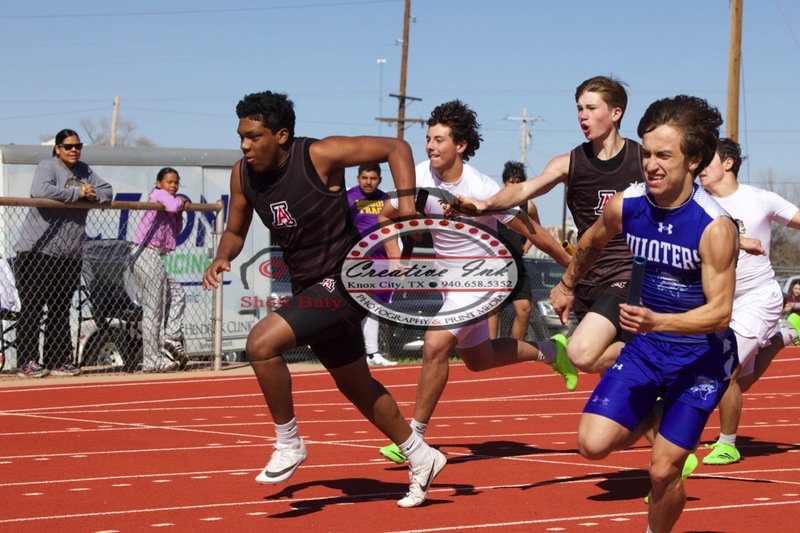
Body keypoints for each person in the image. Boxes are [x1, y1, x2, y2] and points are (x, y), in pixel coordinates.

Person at [201, 90, 445, 508]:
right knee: (355, 385)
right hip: (310, 288)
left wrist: (406, 204)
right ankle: (421, 455)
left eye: (253, 136)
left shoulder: (319, 155)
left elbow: (396, 147)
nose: (244, 145)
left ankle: (289, 442)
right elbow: (236, 229)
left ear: (280, 135)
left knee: (261, 342)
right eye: (240, 135)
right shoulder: (243, 174)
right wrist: (222, 256)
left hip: (346, 281)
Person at [550, 95, 738, 533]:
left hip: (699, 358)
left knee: (661, 471)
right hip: (648, 349)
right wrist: (566, 284)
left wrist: (659, 321)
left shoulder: (714, 227)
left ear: (693, 160)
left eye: (664, 156)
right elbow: (593, 240)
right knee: (591, 446)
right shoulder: (627, 205)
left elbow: (720, 315)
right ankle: (654, 413)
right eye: (647, 153)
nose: (651, 165)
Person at [376, 100, 575, 464]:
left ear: (461, 145)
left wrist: (570, 264)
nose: (430, 146)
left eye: (439, 140)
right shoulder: (419, 176)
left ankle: (413, 439)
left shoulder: (482, 188)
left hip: (487, 278)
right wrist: (393, 252)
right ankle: (552, 351)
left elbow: (530, 229)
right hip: (450, 284)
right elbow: (387, 216)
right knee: (478, 359)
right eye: (428, 139)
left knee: (436, 344)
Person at [451, 75, 642, 375]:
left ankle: (657, 350)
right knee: (613, 376)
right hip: (588, 276)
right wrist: (485, 204)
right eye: (579, 108)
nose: (582, 115)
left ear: (616, 113)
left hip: (630, 275)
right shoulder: (569, 163)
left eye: (591, 108)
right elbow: (523, 191)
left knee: (583, 354)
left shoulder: (643, 161)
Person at [697, 138, 800, 465]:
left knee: (724, 370)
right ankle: (787, 335)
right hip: (719, 302)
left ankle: (727, 443)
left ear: (727, 163)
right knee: (739, 380)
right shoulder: (697, 203)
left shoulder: (760, 199)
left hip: (759, 297)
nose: (698, 168)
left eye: (706, 160)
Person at [14, 129, 113, 378]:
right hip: (39, 250)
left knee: (60, 308)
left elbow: (107, 192)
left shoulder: (84, 171)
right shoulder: (47, 166)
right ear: (57, 148)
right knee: (33, 308)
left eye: (78, 146)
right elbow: (41, 191)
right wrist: (77, 194)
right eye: (68, 146)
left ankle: (57, 360)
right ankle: (27, 361)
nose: (73, 150)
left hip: (70, 254)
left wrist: (92, 196)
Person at [132, 167, 189, 373]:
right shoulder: (159, 195)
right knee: (153, 310)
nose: (173, 186)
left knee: (177, 294)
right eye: (169, 182)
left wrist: (181, 209)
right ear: (159, 183)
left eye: (176, 183)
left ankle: (171, 337)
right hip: (144, 252)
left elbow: (175, 229)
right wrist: (182, 201)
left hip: (155, 256)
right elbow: (174, 206)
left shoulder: (169, 202)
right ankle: (152, 360)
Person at [346, 164, 397, 366]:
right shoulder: (348, 198)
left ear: (380, 180)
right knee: (356, 306)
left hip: (382, 261)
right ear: (358, 178)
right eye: (365, 177)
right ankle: (355, 353)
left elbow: (396, 228)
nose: (368, 182)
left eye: (373, 178)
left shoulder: (386, 199)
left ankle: (372, 353)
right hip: (357, 261)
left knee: (375, 307)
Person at [489, 161, 541, 340]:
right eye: (511, 182)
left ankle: (514, 350)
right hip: (496, 266)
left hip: (518, 265)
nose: (514, 185)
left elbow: (537, 230)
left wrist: (525, 247)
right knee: (494, 309)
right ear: (504, 183)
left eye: (518, 182)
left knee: (524, 308)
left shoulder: (529, 206)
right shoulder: (494, 202)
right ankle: (491, 349)